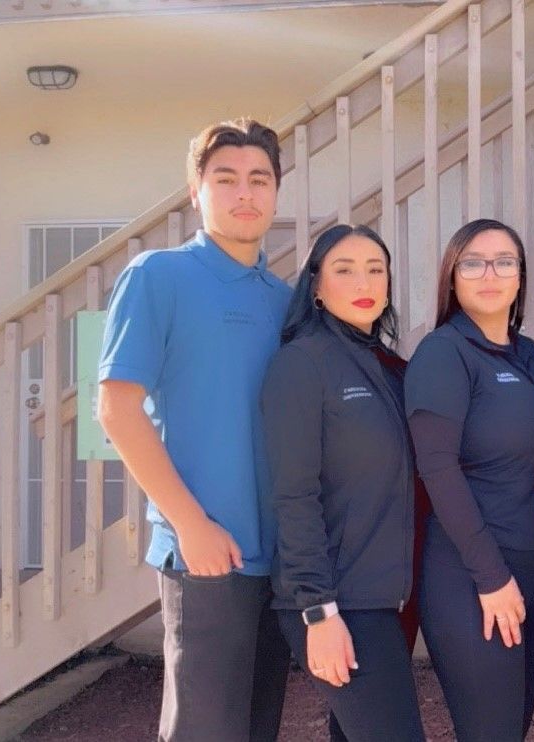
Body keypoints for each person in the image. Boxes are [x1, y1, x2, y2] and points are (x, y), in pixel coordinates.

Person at [97, 119, 292, 741]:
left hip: (282, 555)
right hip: (206, 552)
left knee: (259, 727)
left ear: (276, 192)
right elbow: (117, 409)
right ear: (196, 192)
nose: (245, 193)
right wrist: (189, 524)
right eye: (225, 178)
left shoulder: (285, 299)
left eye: (259, 179)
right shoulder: (159, 276)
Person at [260, 224, 425, 741]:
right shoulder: (302, 362)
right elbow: (293, 495)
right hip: (339, 603)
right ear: (315, 286)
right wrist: (318, 612)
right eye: (345, 269)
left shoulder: (386, 366)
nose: (364, 282)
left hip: (385, 598)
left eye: (376, 269)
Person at [404, 219, 534, 741]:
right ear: (452, 276)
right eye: (473, 261)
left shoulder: (533, 357)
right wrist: (490, 577)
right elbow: (437, 470)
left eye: (504, 261)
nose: (489, 273)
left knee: (510, 729)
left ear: (520, 278)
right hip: (470, 574)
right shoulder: (443, 353)